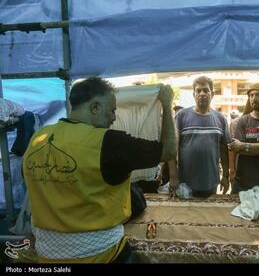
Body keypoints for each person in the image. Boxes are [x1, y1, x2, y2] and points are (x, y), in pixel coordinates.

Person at [22, 77, 177, 263]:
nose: (113, 118)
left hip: (47, 256)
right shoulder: (108, 142)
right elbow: (169, 150)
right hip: (99, 255)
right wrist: (167, 105)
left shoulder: (39, 138)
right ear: (95, 107)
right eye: (112, 110)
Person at [171, 76, 230, 198]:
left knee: (207, 215)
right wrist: (173, 176)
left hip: (210, 182)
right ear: (193, 94)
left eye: (206, 90)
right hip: (185, 183)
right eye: (198, 91)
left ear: (212, 94)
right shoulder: (181, 116)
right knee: (184, 215)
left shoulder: (221, 119)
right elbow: (172, 148)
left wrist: (225, 176)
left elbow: (224, 150)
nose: (202, 93)